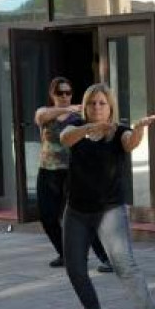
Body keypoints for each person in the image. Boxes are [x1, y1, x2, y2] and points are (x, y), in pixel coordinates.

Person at [59, 83, 155, 309]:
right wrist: (89, 129)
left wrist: (138, 130)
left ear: (110, 107)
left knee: (125, 266)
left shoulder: (119, 131)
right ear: (85, 106)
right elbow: (65, 138)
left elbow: (131, 143)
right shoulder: (75, 126)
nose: (97, 108)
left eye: (102, 103)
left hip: (109, 210)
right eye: (92, 103)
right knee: (75, 268)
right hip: (77, 211)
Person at [35, 76, 112, 272]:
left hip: (71, 173)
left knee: (82, 217)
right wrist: (66, 109)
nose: (65, 96)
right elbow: (41, 117)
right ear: (52, 94)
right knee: (47, 216)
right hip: (47, 172)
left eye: (68, 93)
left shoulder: (78, 119)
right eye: (60, 93)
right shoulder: (46, 113)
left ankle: (106, 258)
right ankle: (65, 254)